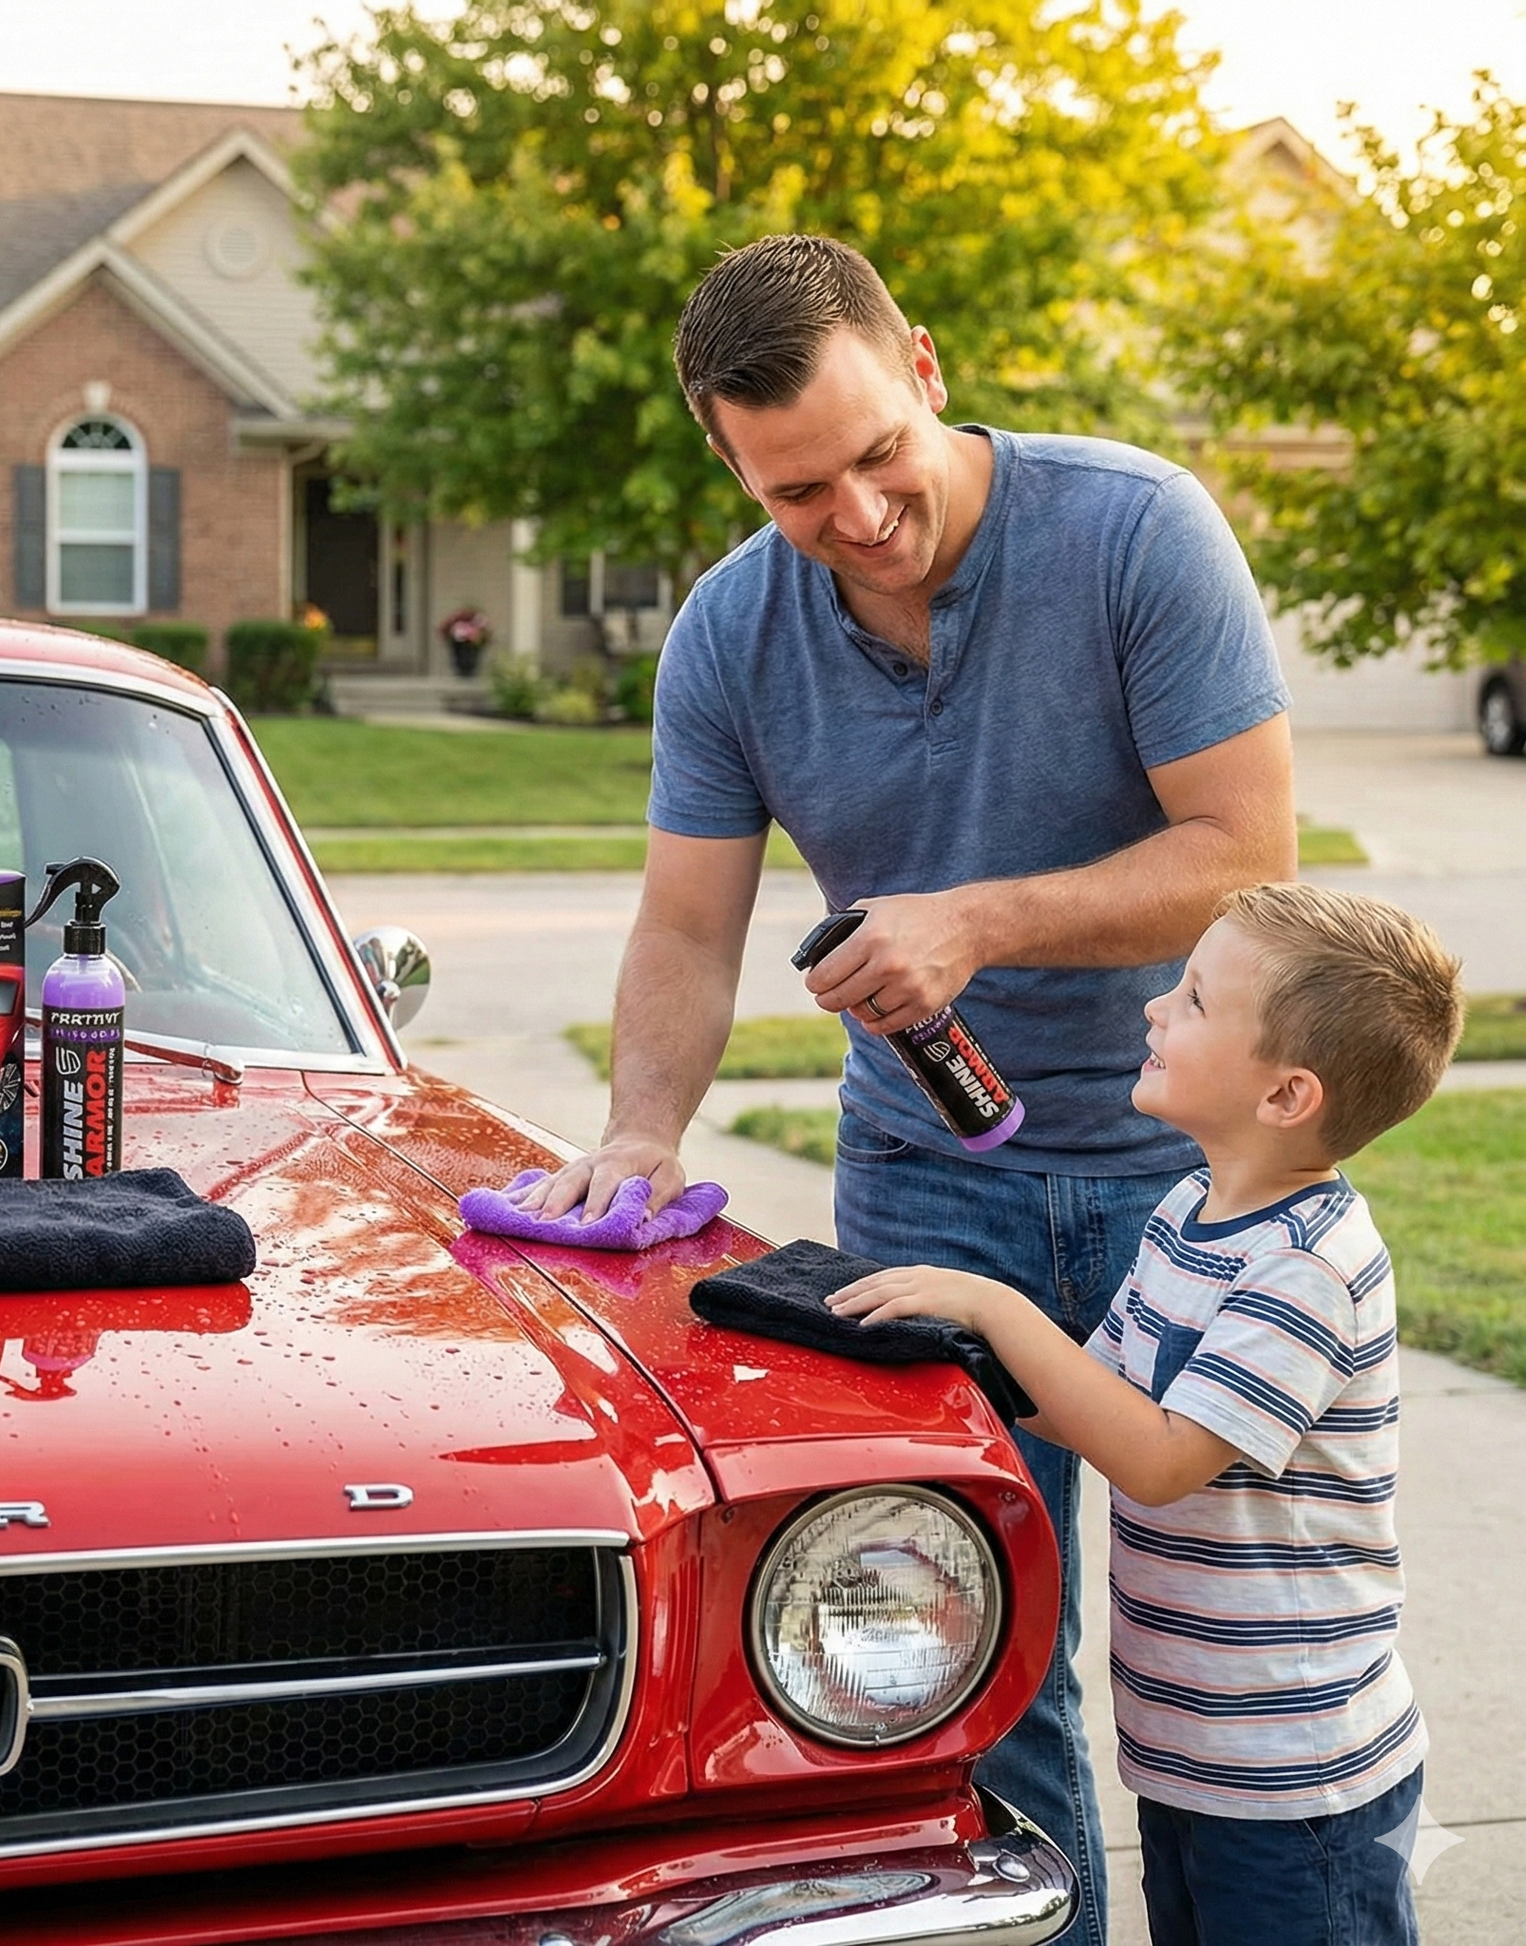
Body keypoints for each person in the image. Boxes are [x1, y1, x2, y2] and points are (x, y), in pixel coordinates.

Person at [524, 234, 1297, 1945]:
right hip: (933, 1191)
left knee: (1238, 1675)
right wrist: (642, 1130)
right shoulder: (730, 633)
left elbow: (1246, 859)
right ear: (731, 465)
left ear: (926, 369)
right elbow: (682, 919)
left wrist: (977, 919)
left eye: (880, 454)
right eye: (800, 489)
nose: (861, 513)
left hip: (1209, 1179)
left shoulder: (1132, 529)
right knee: (962, 1655)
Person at [828, 883, 1462, 1945]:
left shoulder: (1305, 1268)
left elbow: (1160, 1457)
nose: (1151, 1009)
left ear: (1283, 1094)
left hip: (1295, 1781)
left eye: (1194, 1000)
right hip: (1193, 1754)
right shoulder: (1188, 1212)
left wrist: (991, 1300)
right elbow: (1088, 1392)